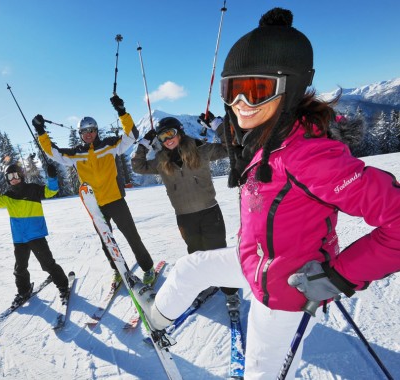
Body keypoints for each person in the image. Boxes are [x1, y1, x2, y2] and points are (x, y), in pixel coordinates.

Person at [133, 8, 400, 379]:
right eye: (232, 90)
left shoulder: (309, 155)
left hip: (285, 290)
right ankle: (158, 317)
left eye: (256, 90)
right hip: (255, 262)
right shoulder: (263, 137)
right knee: (189, 267)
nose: (240, 104)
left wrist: (339, 275)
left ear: (288, 88)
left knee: (260, 371)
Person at [32, 95, 156, 285]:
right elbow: (52, 152)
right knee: (107, 241)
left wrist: (122, 111)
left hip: (116, 200)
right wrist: (41, 131)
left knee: (132, 236)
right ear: (80, 134)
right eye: (84, 131)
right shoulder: (75, 154)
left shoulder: (110, 145)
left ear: (96, 131)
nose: (88, 134)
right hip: (95, 206)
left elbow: (131, 134)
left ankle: (147, 268)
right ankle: (118, 270)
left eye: (91, 130)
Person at [131, 115, 241, 316]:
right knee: (196, 254)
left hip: (209, 211)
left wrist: (218, 126)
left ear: (179, 132)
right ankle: (206, 284)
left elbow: (230, 147)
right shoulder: (161, 162)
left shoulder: (201, 150)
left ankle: (230, 291)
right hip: (184, 217)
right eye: (162, 137)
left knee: (218, 253)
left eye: (170, 134)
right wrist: (143, 145)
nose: (167, 140)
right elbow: (137, 166)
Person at [0, 163, 70, 307]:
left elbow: (51, 191)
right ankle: (24, 291)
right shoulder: (8, 196)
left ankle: (63, 286)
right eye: (9, 176)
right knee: (20, 268)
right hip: (19, 238)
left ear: (21, 175)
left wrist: (51, 177)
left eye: (15, 175)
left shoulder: (33, 189)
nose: (13, 179)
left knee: (47, 264)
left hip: (36, 235)